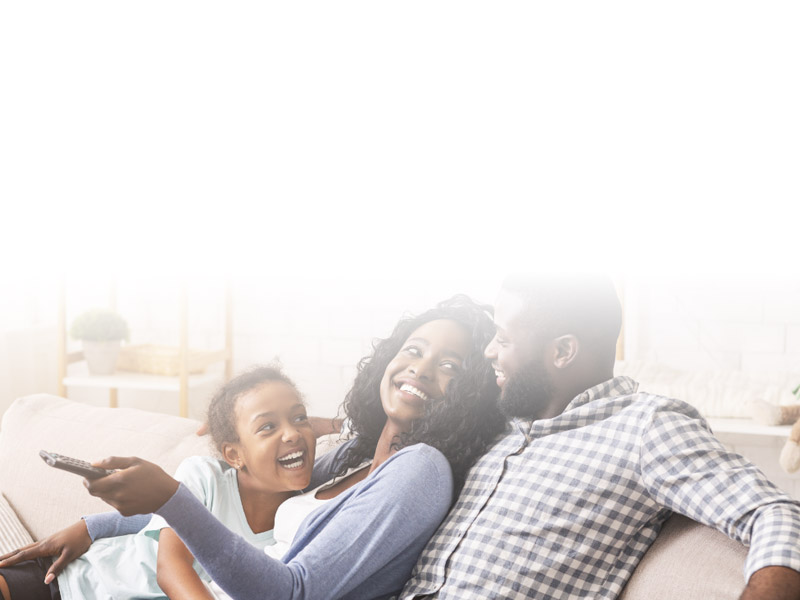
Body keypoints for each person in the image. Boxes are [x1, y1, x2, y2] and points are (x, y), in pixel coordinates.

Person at [1, 295, 503, 600]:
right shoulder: (355, 457)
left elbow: (292, 591)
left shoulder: (422, 470)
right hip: (84, 576)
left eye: (450, 365)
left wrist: (167, 498)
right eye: (413, 350)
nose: (420, 366)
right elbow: (231, 507)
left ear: (472, 391)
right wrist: (95, 524)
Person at [389, 274, 800, 600]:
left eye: (505, 338)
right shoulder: (503, 422)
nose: (490, 352)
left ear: (563, 352)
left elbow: (777, 513)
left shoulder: (646, 426)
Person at [0, 365, 318, 600]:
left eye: (299, 418)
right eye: (267, 427)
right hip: (69, 579)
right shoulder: (204, 476)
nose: (292, 433)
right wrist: (91, 526)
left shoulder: (300, 525)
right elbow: (171, 569)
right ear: (233, 454)